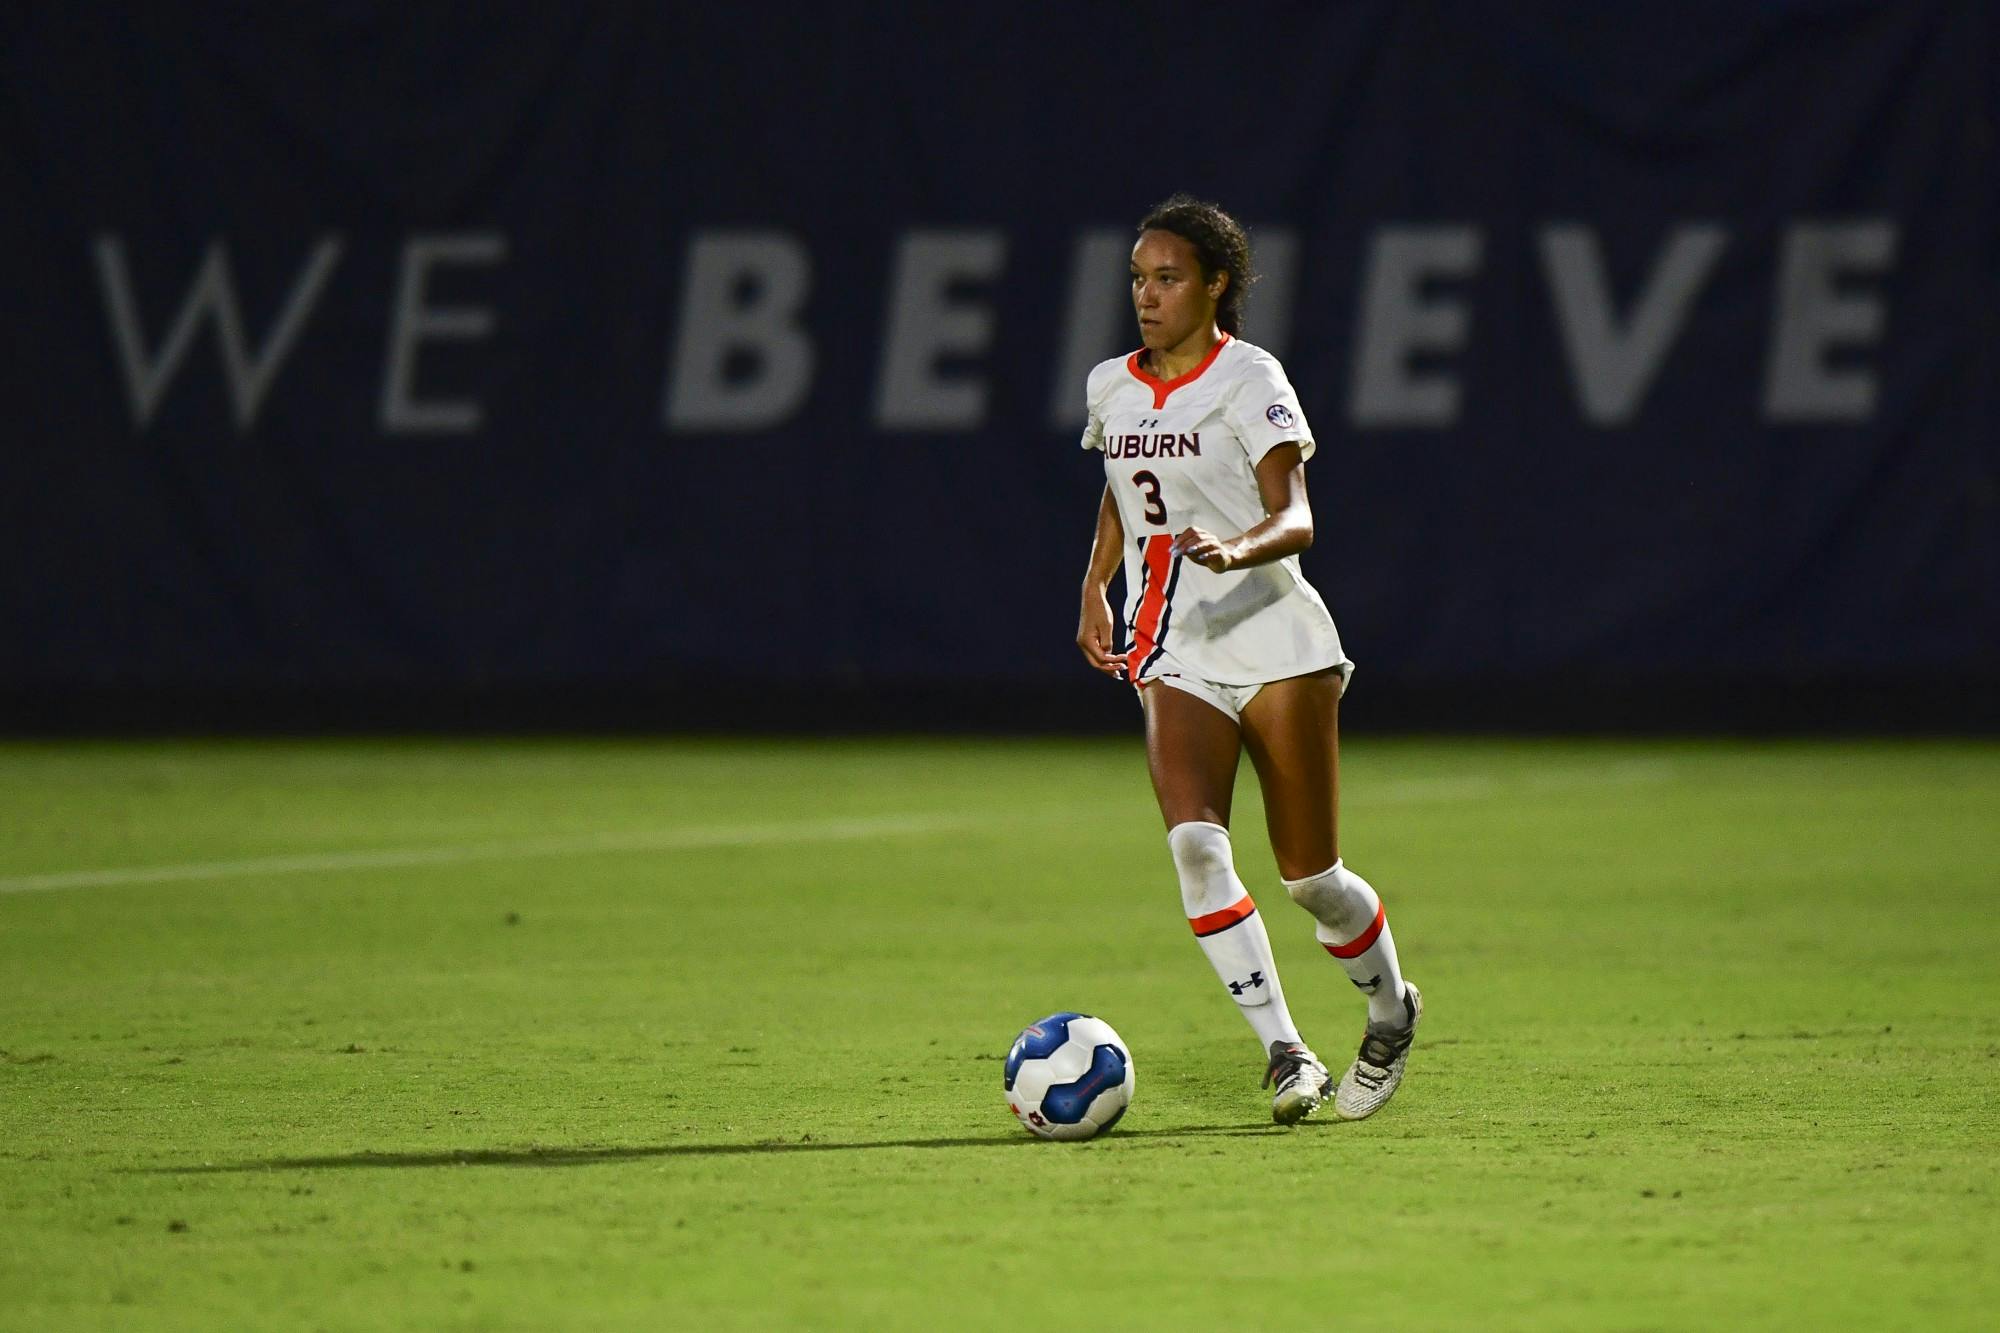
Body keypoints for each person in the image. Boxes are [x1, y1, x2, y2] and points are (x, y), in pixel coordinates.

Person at [1075, 195, 1421, 1125]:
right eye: (1139, 278)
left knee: (1311, 877)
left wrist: (1242, 546)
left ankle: (1390, 1010)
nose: (1147, 296)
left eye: (1168, 277)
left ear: (1216, 284)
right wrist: (1096, 581)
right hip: (1172, 641)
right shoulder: (1111, 382)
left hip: (1273, 637)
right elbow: (1121, 488)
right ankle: (1286, 1051)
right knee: (1194, 845)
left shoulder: (1248, 377)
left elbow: (1298, 512)